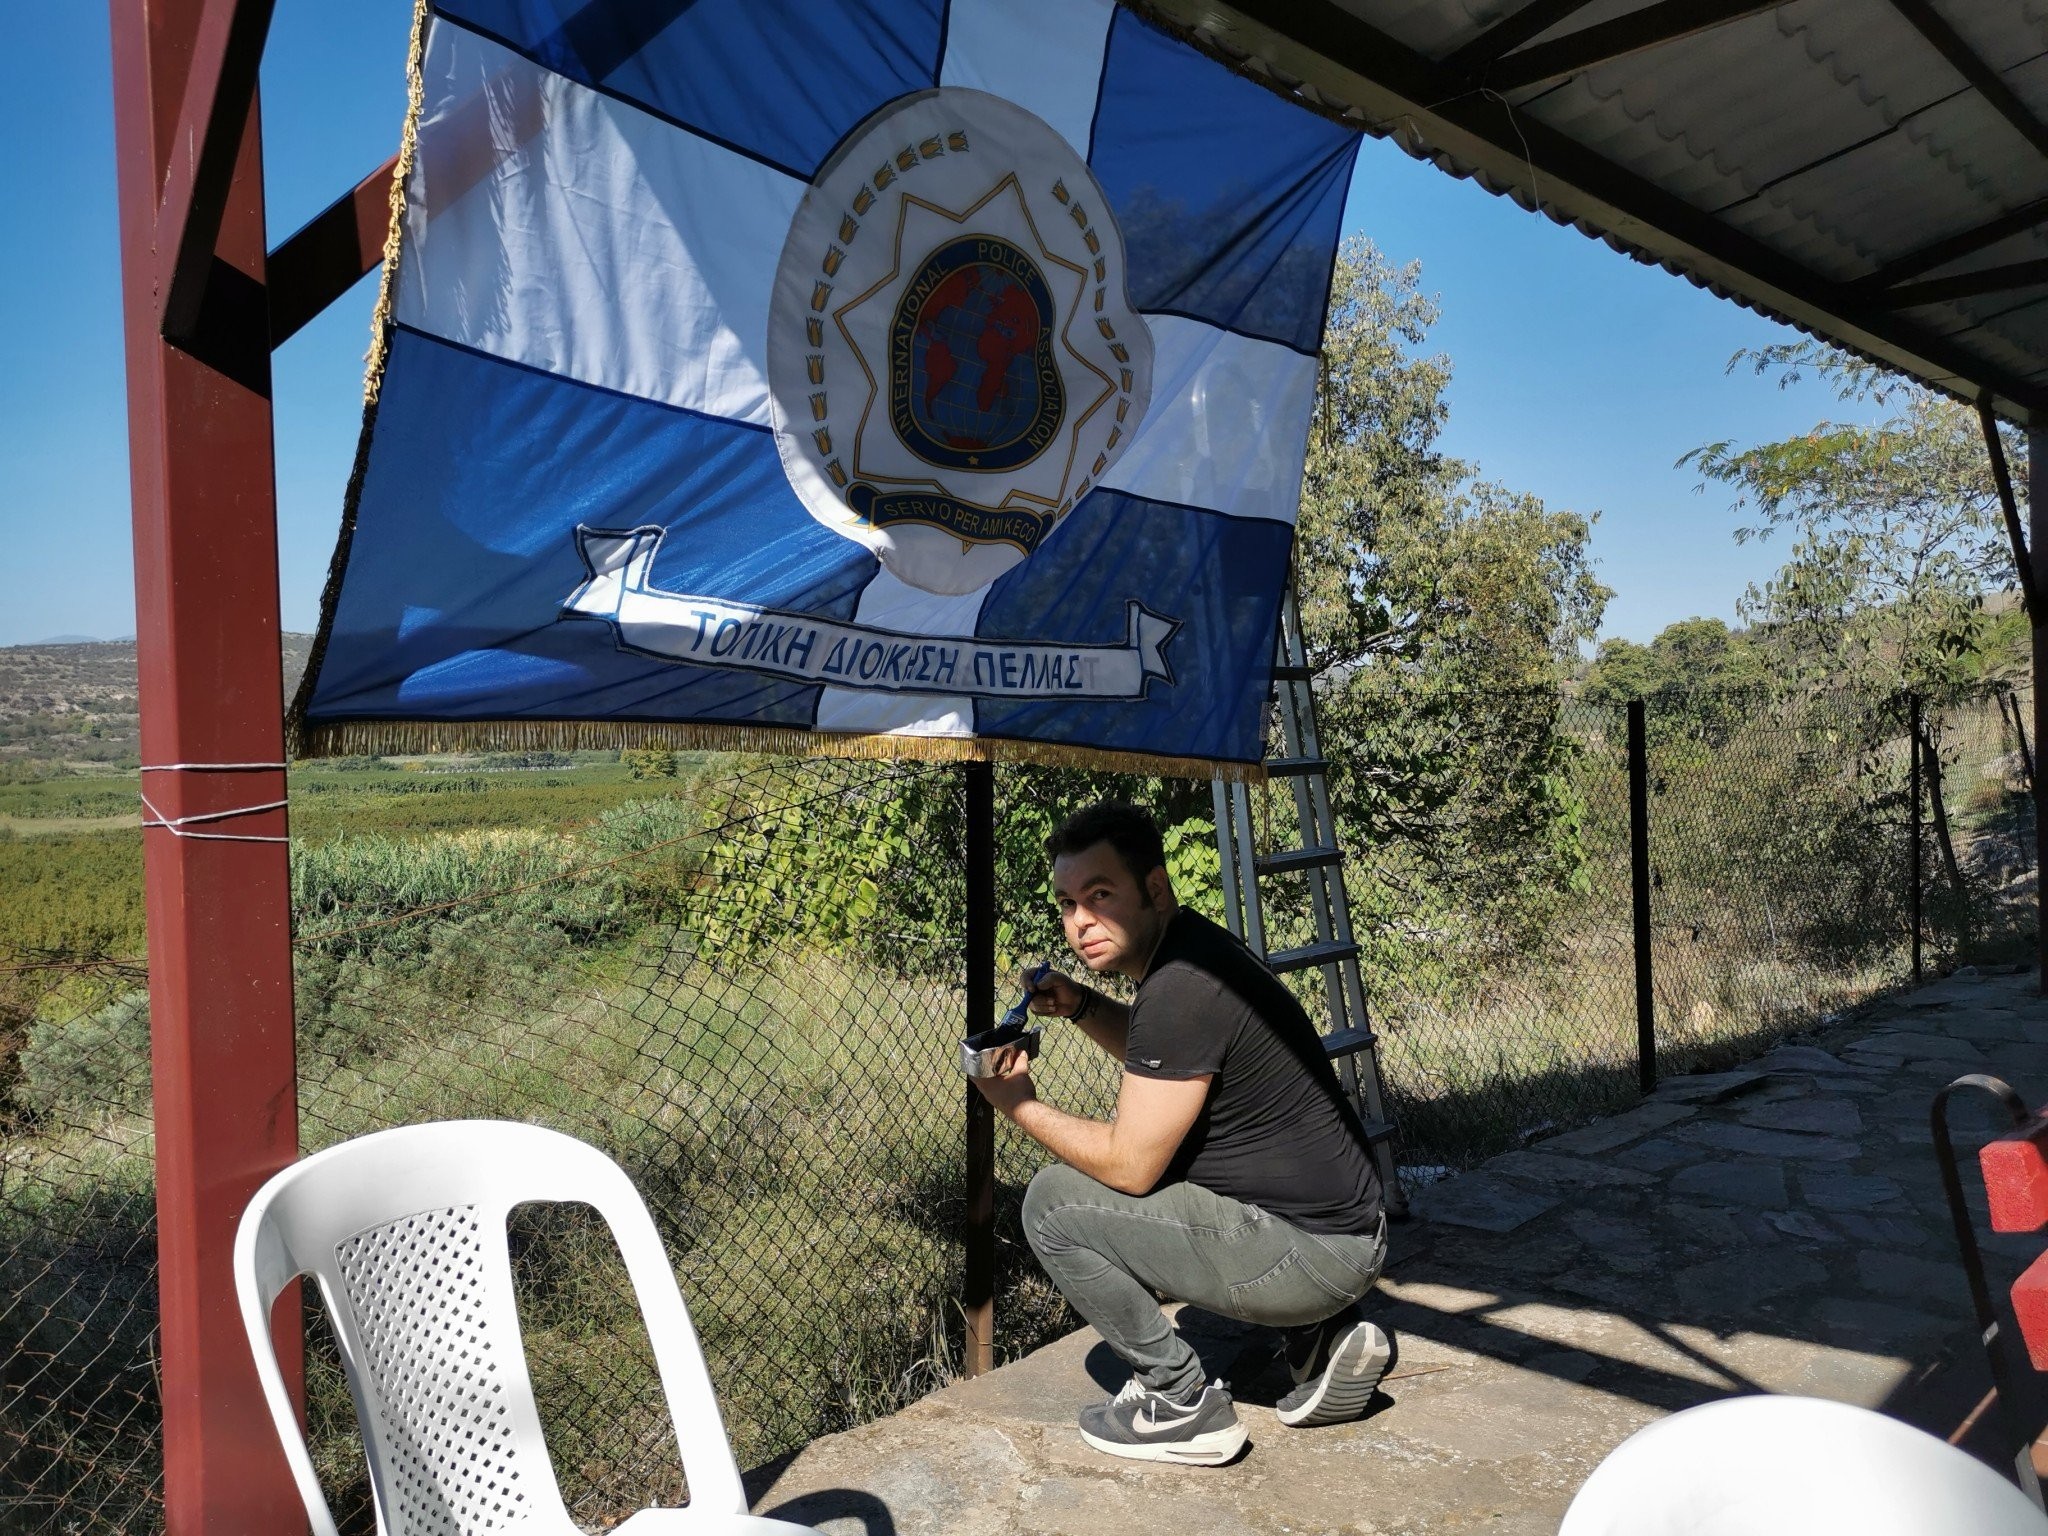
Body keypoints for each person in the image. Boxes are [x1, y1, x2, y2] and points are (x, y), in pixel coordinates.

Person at [969, 801, 1393, 1466]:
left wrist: (1018, 1105)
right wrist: (1080, 1004)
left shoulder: (1178, 991)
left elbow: (1130, 1167)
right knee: (1182, 1156)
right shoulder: (1197, 951)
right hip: (1348, 1232)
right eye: (1068, 903)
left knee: (1053, 1204)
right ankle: (1321, 1340)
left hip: (1311, 1252)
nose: (1081, 923)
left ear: (1155, 889)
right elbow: (1163, 1056)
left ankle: (1180, 1403)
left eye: (1101, 895)